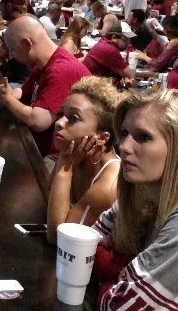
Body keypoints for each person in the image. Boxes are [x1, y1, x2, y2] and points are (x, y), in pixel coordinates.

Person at [92, 90, 178, 309]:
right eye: (124, 133)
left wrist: (111, 271)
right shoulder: (141, 195)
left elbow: (118, 305)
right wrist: (121, 275)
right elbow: (83, 249)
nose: (124, 147)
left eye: (143, 137)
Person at [0, 15, 90, 157]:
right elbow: (22, 91)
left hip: (57, 157)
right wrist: (5, 92)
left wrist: (7, 99)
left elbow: (38, 121)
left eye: (12, 49)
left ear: (27, 44)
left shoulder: (61, 70)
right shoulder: (44, 62)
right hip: (36, 146)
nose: (11, 56)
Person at [46, 76, 123, 244]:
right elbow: (49, 196)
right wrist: (65, 159)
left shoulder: (108, 186)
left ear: (101, 138)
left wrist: (65, 169)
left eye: (73, 118)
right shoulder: (78, 155)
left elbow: (58, 238)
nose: (59, 123)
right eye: (62, 114)